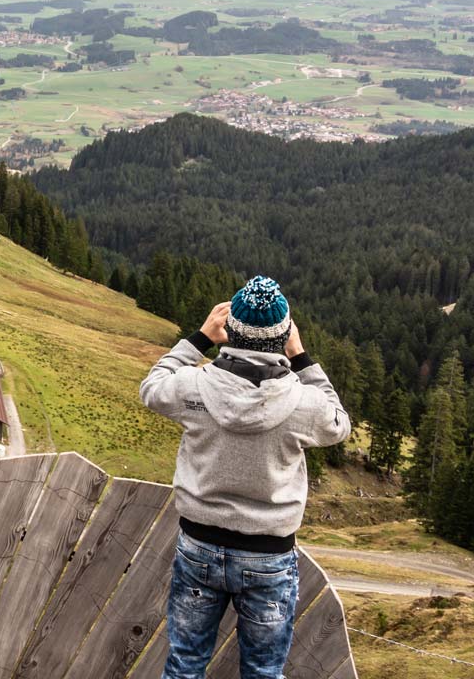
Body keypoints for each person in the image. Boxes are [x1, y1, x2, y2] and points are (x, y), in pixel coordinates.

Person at [139, 277, 351, 679]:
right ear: (284, 335)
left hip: (199, 545)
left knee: (184, 666)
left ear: (229, 330)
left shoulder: (193, 386)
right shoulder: (304, 405)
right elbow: (339, 423)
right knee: (263, 672)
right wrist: (302, 357)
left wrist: (198, 339)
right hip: (269, 556)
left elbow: (151, 389)